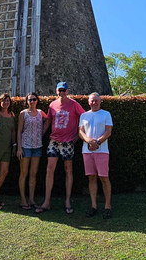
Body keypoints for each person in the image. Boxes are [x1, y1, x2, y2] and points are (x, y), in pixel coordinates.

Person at [36, 82, 85, 214]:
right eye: (59, 90)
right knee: (49, 170)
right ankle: (47, 202)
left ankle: (67, 201)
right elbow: (49, 121)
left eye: (63, 90)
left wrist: (79, 134)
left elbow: (85, 117)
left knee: (68, 170)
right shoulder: (52, 105)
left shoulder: (74, 104)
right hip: (54, 141)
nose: (61, 92)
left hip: (67, 142)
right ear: (56, 91)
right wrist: (40, 135)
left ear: (67, 91)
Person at [78, 92, 113, 219]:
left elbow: (108, 131)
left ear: (100, 101)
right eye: (92, 101)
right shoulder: (84, 115)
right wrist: (88, 141)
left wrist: (97, 142)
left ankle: (107, 206)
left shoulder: (106, 114)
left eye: (96, 100)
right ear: (88, 102)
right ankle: (94, 206)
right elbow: (81, 132)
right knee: (91, 178)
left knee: (104, 178)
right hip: (87, 151)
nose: (94, 102)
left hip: (102, 151)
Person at [16, 91, 48, 210]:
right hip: (25, 146)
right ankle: (23, 199)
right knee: (24, 173)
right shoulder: (23, 114)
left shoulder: (40, 113)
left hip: (37, 146)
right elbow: (19, 131)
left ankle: (32, 199)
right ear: (27, 101)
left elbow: (48, 119)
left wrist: (42, 132)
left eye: (34, 99)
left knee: (33, 174)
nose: (32, 102)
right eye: (30, 100)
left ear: (37, 101)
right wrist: (19, 147)